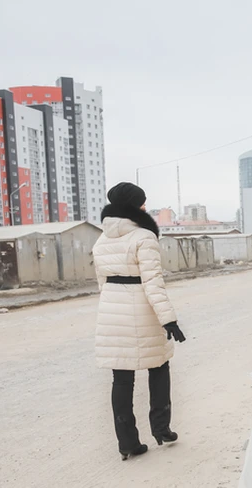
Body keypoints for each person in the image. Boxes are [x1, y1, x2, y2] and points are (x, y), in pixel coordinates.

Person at [93, 182, 186, 460]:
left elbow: (101, 282)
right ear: (134, 206)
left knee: (121, 378)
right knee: (158, 366)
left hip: (111, 310)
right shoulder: (144, 236)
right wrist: (169, 320)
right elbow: (153, 283)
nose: (145, 207)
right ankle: (161, 428)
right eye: (142, 203)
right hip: (142, 310)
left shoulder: (101, 239)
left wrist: (113, 303)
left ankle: (127, 443)